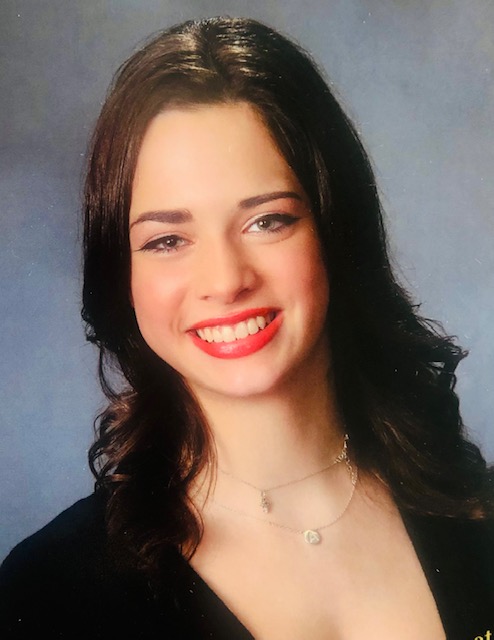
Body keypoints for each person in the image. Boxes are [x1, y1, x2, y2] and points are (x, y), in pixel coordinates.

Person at [1, 16, 493, 640]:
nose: (226, 280)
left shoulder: (478, 515)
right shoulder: (47, 594)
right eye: (167, 239)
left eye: (268, 221)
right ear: (120, 274)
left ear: (337, 230)